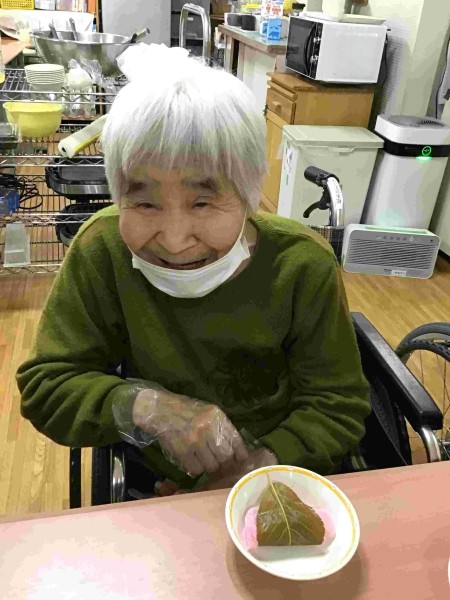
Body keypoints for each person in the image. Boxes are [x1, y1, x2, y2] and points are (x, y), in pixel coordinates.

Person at [16, 55, 370, 496]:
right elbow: (47, 386)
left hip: (277, 475)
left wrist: (255, 471)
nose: (175, 240)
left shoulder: (301, 266)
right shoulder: (102, 251)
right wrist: (148, 407)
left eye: (203, 203)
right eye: (145, 203)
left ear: (249, 195)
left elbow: (337, 404)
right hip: (155, 479)